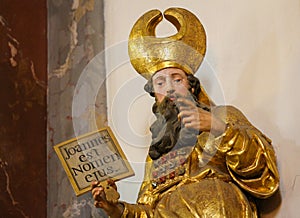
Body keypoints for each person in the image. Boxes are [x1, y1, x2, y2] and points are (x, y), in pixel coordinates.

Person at [91, 7, 279, 217]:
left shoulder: (223, 116)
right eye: (160, 82)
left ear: (191, 86)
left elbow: (262, 169)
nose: (169, 87)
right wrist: (115, 208)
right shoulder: (157, 151)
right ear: (155, 95)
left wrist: (217, 127)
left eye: (177, 79)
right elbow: (148, 211)